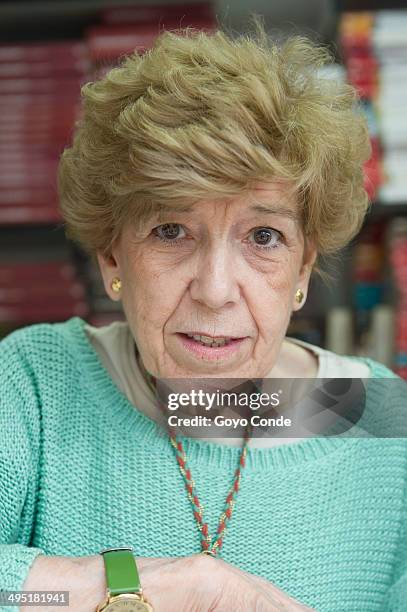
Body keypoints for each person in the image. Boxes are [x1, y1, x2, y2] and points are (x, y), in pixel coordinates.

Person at [1, 17, 406, 612]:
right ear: (112, 253)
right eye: (171, 230)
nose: (216, 291)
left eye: (264, 236)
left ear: (302, 268)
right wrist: (139, 588)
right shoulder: (32, 386)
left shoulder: (382, 424)